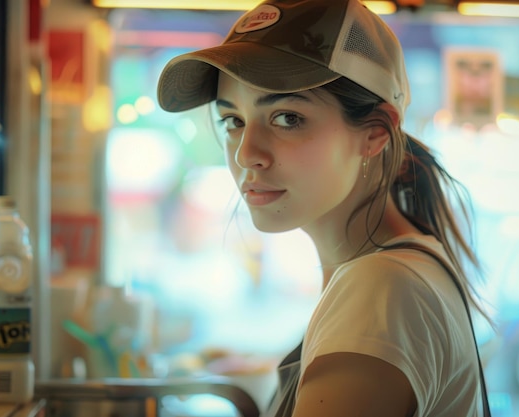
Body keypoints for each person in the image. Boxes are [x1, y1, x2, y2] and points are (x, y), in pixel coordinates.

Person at [157, 0, 492, 416]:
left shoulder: (381, 287)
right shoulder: (395, 268)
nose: (246, 154)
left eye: (287, 118)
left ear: (374, 133)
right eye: (233, 121)